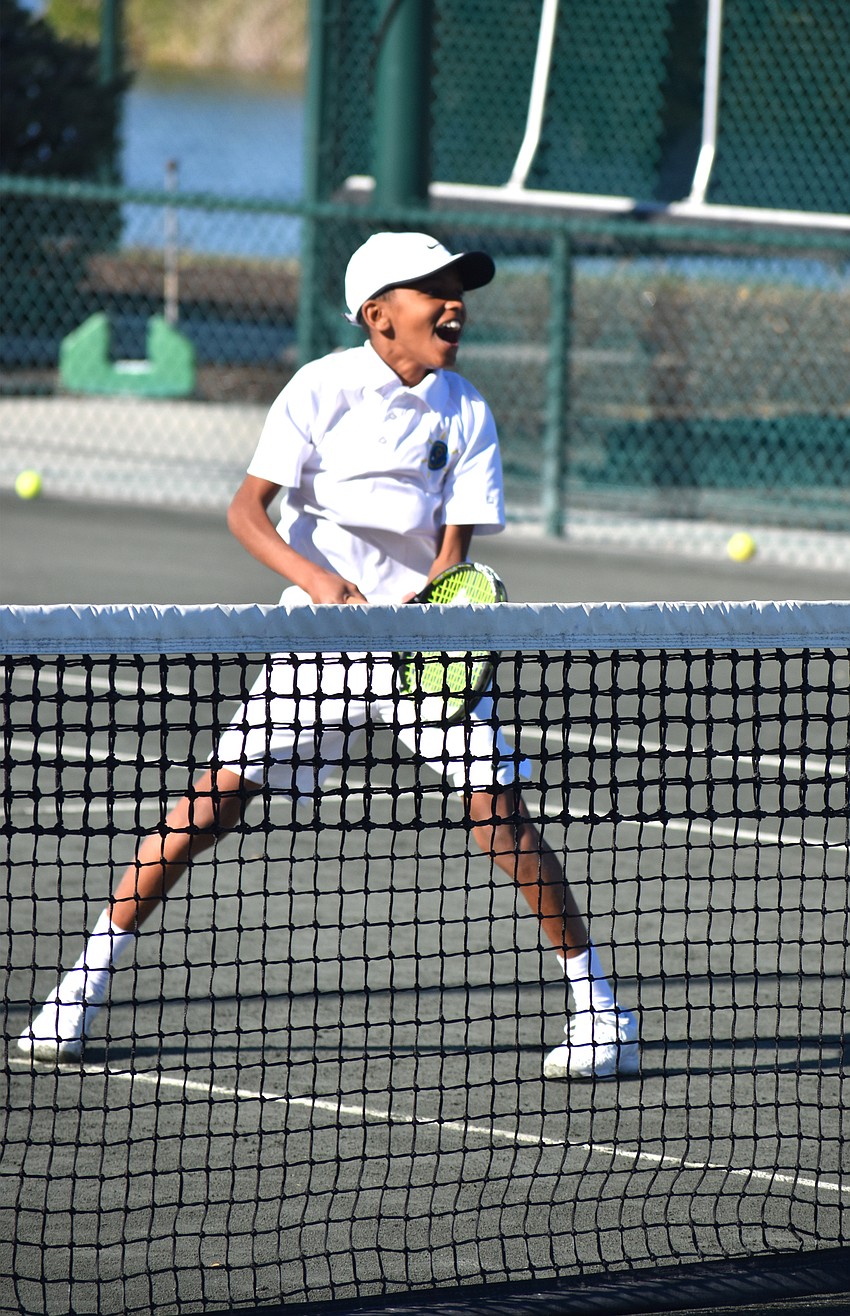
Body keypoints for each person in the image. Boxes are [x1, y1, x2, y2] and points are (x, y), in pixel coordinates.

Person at [18, 231, 639, 1081]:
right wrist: (317, 584)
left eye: (459, 288)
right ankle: (78, 990)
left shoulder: (466, 410)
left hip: (421, 648)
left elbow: (451, 555)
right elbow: (247, 511)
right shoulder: (320, 389)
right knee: (209, 807)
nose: (454, 302)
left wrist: (441, 629)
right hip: (320, 641)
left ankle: (601, 1010)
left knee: (500, 816)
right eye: (434, 289)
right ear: (379, 316)